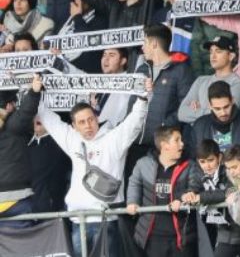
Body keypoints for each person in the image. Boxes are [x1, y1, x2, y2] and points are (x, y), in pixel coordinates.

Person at [38, 79, 150, 257]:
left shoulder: (113, 139)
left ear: (97, 117)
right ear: (74, 126)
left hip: (105, 221)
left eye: (90, 119)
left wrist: (144, 97)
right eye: (81, 122)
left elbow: (134, 122)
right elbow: (48, 118)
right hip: (77, 220)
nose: (88, 125)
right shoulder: (72, 140)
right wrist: (34, 91)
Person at [127, 125, 201, 257]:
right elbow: (134, 183)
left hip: (182, 236)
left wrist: (183, 198)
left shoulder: (190, 165)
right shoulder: (143, 164)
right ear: (164, 145)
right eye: (177, 140)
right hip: (153, 236)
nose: (182, 144)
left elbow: (195, 185)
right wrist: (132, 202)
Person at [140, 24, 196, 162]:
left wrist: (165, 126)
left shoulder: (182, 70)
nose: (142, 48)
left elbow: (187, 106)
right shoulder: (142, 70)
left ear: (154, 44)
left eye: (144, 43)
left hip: (165, 144)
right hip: (137, 141)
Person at [181, 140, 240, 257]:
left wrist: (200, 197)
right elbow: (193, 187)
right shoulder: (198, 172)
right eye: (202, 162)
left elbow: (228, 192)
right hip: (219, 227)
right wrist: (188, 194)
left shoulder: (228, 170)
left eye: (211, 160)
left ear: (219, 157)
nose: (207, 165)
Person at [178, 36, 240, 124]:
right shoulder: (201, 81)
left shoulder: (238, 85)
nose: (213, 56)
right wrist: (208, 111)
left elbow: (225, 115)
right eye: (211, 52)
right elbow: (181, 113)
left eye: (218, 51)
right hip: (200, 135)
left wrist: (198, 110)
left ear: (231, 56)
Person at [0, 74, 42, 224]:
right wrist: (34, 91)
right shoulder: (12, 125)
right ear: (9, 105)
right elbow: (26, 112)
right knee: (26, 245)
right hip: (17, 199)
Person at [190, 0, 240, 77]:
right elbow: (195, 43)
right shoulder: (205, 7)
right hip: (205, 73)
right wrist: (199, 74)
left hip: (234, 72)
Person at [193, 80, 240, 160]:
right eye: (217, 109)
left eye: (226, 107)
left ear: (232, 100)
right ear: (210, 106)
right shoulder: (199, 127)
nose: (223, 113)